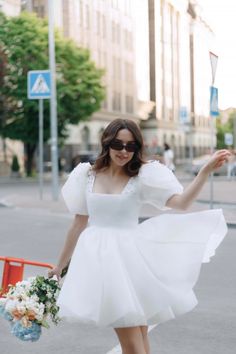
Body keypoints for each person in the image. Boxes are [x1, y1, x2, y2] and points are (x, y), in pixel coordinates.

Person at [48, 118, 230, 354]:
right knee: (136, 341)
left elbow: (182, 203)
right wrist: (59, 267)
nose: (124, 151)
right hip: (100, 263)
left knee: (136, 342)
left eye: (131, 146)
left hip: (130, 264)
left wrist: (205, 171)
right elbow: (77, 224)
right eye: (118, 144)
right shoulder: (86, 175)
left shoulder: (142, 176)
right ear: (107, 142)